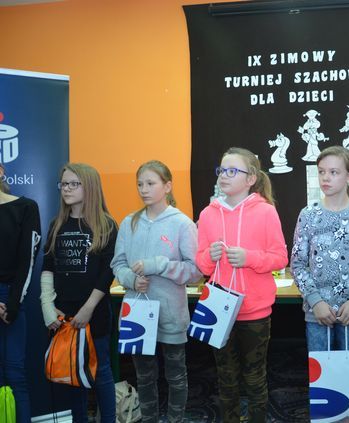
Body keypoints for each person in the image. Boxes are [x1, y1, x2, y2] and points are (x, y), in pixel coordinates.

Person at [195, 147, 288, 423]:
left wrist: (250, 258)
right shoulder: (208, 214)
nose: (224, 175)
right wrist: (209, 257)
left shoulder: (266, 212)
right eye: (222, 170)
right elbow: (202, 265)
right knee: (225, 378)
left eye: (232, 171)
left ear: (251, 179)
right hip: (217, 309)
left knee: (255, 377)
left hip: (254, 311)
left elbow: (280, 257)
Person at [111, 160, 201, 423]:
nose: (143, 189)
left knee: (176, 375)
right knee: (144, 377)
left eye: (150, 183)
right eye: (140, 184)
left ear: (167, 186)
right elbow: (118, 263)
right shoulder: (129, 222)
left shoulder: (182, 224)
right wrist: (130, 279)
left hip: (171, 313)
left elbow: (195, 271)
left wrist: (160, 266)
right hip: (137, 312)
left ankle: (175, 419)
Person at [40, 163, 117, 422]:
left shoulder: (106, 225)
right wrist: (49, 308)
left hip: (95, 313)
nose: (67, 189)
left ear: (90, 187)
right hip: (64, 315)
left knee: (102, 372)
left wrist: (88, 308)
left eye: (74, 184)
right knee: (73, 374)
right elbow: (47, 267)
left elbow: (108, 272)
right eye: (64, 184)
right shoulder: (57, 224)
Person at [291, 145, 349, 351]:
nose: (325, 178)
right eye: (321, 171)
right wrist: (316, 302)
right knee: (321, 369)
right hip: (317, 313)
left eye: (333, 172)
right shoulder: (308, 215)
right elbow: (297, 265)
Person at [0, 162, 41, 423]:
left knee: (15, 374)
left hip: (11, 298)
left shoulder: (26, 208)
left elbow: (28, 260)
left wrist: (13, 304)